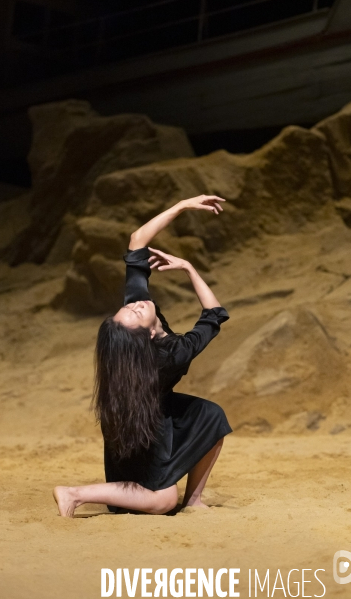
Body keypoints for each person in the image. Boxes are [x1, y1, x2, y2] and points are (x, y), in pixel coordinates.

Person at [53, 195, 232, 517]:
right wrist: (189, 268)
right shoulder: (171, 355)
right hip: (141, 422)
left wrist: (181, 206)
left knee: (211, 416)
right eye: (133, 312)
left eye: (128, 306)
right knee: (161, 502)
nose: (134, 305)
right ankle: (74, 493)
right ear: (147, 335)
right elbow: (214, 315)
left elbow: (137, 241)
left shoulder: (141, 319)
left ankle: (193, 500)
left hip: (154, 404)